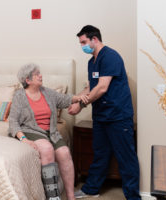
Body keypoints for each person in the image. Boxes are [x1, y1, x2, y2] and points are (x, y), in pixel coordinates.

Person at [68, 25, 140, 200]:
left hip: (118, 116)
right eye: (80, 43)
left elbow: (101, 88)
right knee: (100, 154)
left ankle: (133, 196)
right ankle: (91, 189)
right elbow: (90, 87)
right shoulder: (91, 61)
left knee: (126, 158)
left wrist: (81, 104)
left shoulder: (110, 57)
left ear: (95, 39)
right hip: (101, 116)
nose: (82, 46)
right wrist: (76, 99)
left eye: (84, 42)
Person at [9, 63, 80, 200]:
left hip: (51, 132)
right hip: (31, 130)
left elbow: (65, 99)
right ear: (28, 80)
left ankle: (71, 196)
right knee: (47, 149)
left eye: (39, 73)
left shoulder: (47, 92)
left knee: (64, 152)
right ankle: (53, 197)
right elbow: (13, 122)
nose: (40, 75)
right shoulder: (19, 96)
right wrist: (23, 139)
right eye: (36, 74)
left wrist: (81, 98)